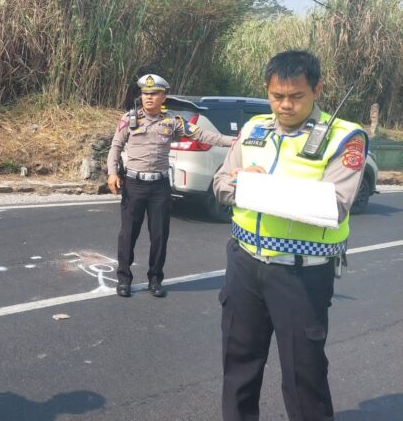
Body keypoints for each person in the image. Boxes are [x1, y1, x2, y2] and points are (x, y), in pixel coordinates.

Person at [212, 50, 367, 421]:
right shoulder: (254, 130)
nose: (285, 105)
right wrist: (245, 186)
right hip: (245, 264)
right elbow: (220, 184)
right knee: (238, 368)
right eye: (276, 96)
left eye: (296, 96)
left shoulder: (345, 137)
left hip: (302, 274)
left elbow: (333, 205)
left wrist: (253, 185)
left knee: (304, 377)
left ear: (317, 90)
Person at [106, 74, 234, 298]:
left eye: (154, 93)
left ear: (163, 96)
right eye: (145, 93)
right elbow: (115, 147)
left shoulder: (172, 121)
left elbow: (203, 135)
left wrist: (233, 142)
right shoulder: (129, 119)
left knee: (159, 235)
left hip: (160, 187)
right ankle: (124, 279)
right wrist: (112, 173)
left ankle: (155, 280)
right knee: (127, 235)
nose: (148, 98)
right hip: (134, 184)